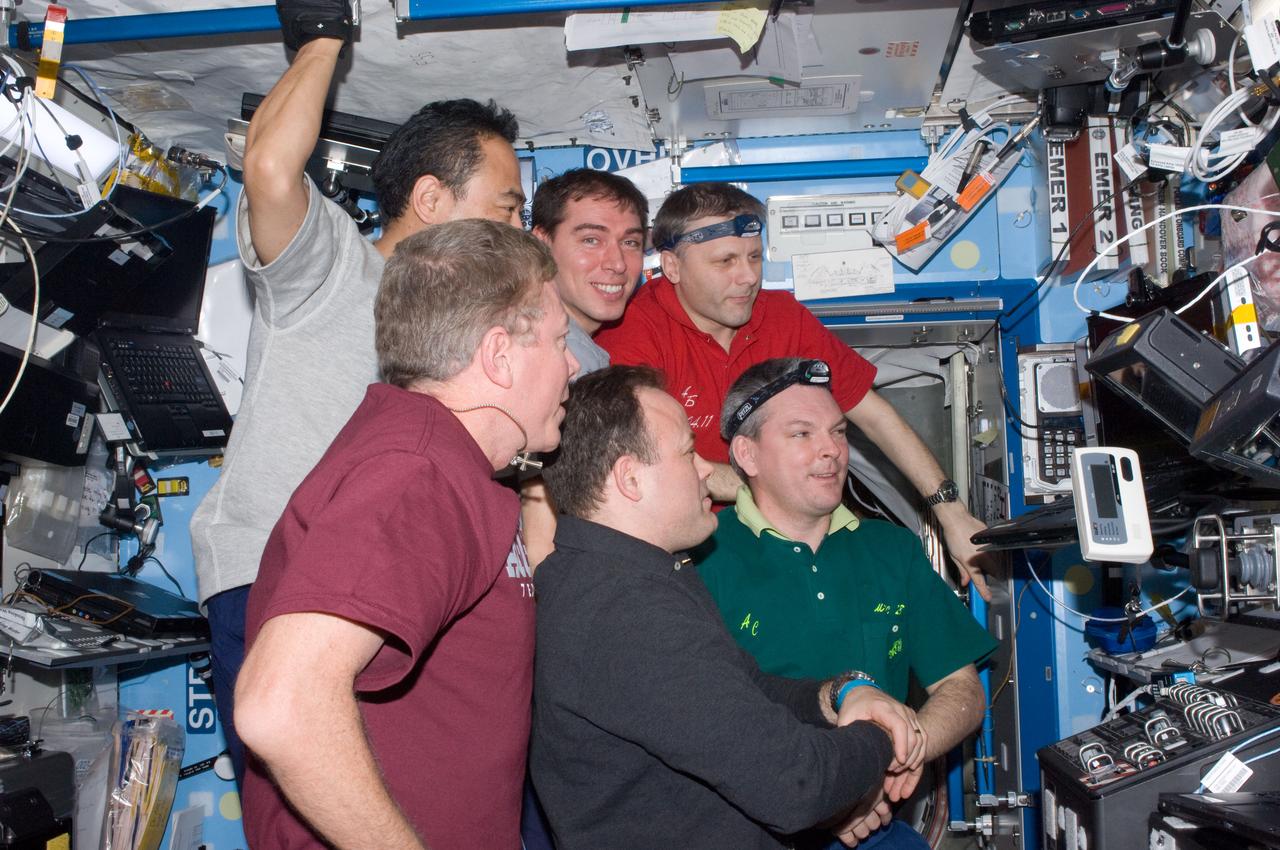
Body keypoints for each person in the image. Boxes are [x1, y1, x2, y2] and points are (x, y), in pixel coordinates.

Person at [188, 0, 526, 780]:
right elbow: (271, 169)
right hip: (276, 577)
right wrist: (323, 38)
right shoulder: (339, 263)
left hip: (390, 590)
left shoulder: (460, 338)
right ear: (432, 201)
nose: (515, 231)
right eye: (505, 209)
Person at [235, 220, 579, 850]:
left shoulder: (446, 464)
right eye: (560, 341)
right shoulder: (418, 472)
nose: (573, 364)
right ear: (500, 355)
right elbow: (279, 705)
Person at [532, 365, 928, 850]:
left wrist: (842, 693)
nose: (706, 469)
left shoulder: (635, 577)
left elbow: (749, 688)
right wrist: (883, 732)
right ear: (630, 479)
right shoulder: (623, 612)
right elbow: (796, 786)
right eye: (687, 452)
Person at [594, 183, 994, 600]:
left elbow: (875, 416)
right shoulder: (634, 333)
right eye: (725, 261)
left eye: (753, 257)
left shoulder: (783, 317)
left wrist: (952, 512)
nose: (747, 277)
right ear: (673, 267)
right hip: (682, 556)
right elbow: (646, 458)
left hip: (782, 550)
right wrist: (778, 494)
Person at [696, 357, 998, 848]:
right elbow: (702, 726)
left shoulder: (893, 550)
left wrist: (902, 746)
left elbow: (963, 691)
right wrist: (830, 795)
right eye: (801, 434)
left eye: (838, 432)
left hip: (877, 823)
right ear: (748, 456)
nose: (831, 451)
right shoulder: (701, 560)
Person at [519, 168, 648, 568]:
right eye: (591, 240)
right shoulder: (540, 347)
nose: (617, 263)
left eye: (631, 242)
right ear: (542, 244)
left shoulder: (588, 353)